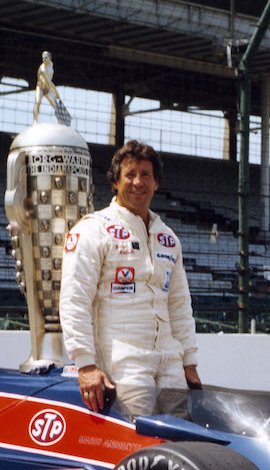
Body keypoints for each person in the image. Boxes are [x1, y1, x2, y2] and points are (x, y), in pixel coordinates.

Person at [59, 140, 201, 418]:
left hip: (170, 361)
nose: (138, 182)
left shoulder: (168, 238)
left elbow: (180, 305)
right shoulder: (93, 230)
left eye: (145, 175)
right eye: (130, 174)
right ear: (115, 181)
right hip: (123, 360)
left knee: (183, 441)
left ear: (156, 183)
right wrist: (85, 365)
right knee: (136, 442)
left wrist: (190, 361)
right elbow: (75, 299)